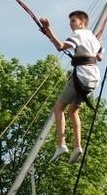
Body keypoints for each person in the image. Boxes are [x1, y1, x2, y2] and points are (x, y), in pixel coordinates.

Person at [39, 11, 103, 164]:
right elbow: (99, 56)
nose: (71, 24)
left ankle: (61, 144)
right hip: (94, 79)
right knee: (73, 110)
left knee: (59, 108)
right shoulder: (94, 38)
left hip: (81, 77)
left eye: (73, 21)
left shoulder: (78, 35)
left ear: (82, 22)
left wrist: (49, 29)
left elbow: (60, 46)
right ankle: (77, 147)